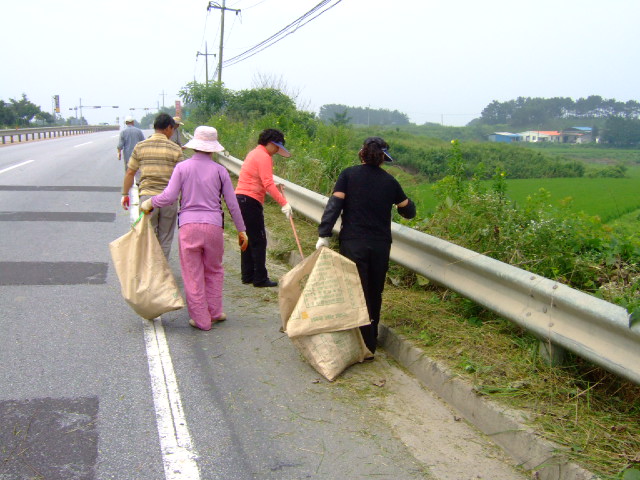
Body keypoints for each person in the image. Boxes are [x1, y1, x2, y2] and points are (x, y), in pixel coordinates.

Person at [315, 137, 416, 356]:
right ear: (383, 158)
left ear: (362, 153)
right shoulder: (390, 182)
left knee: (353, 290)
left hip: (353, 242)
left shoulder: (348, 175)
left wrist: (324, 233)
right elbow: (408, 211)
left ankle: (352, 342)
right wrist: (401, 202)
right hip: (380, 245)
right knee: (374, 292)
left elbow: (335, 205)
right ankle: (369, 344)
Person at [140, 126, 248, 331]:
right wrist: (242, 230)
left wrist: (151, 202)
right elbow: (232, 204)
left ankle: (201, 319)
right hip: (214, 226)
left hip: (189, 226)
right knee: (214, 270)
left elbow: (170, 197)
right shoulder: (220, 171)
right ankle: (215, 312)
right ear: (213, 148)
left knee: (192, 273)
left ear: (195, 146)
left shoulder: (182, 168)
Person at [235, 128, 293, 288]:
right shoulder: (264, 156)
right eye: (276, 147)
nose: (276, 151)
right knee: (259, 240)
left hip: (239, 198)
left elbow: (262, 180)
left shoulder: (254, 153)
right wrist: (284, 203)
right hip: (250, 200)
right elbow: (267, 183)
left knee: (246, 237)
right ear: (269, 143)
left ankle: (247, 275)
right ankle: (260, 278)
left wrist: (276, 187)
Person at [121, 113, 184, 258]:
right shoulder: (175, 149)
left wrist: (125, 194)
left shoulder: (140, 147)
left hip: (147, 200)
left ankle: (150, 271)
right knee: (165, 238)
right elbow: (182, 177)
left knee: (149, 237)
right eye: (173, 129)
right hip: (169, 199)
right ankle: (161, 273)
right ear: (168, 128)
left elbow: (130, 172)